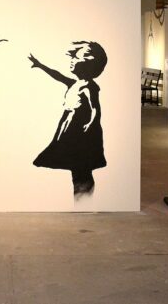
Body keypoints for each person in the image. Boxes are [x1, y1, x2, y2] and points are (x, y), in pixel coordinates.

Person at [28, 40, 108, 198]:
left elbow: (95, 108)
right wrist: (40, 65)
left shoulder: (89, 87)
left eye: (76, 58)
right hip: (68, 126)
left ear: (88, 63)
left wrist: (90, 123)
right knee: (76, 166)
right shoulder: (74, 83)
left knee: (81, 167)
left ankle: (83, 197)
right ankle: (82, 195)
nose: (71, 60)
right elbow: (57, 75)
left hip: (80, 130)